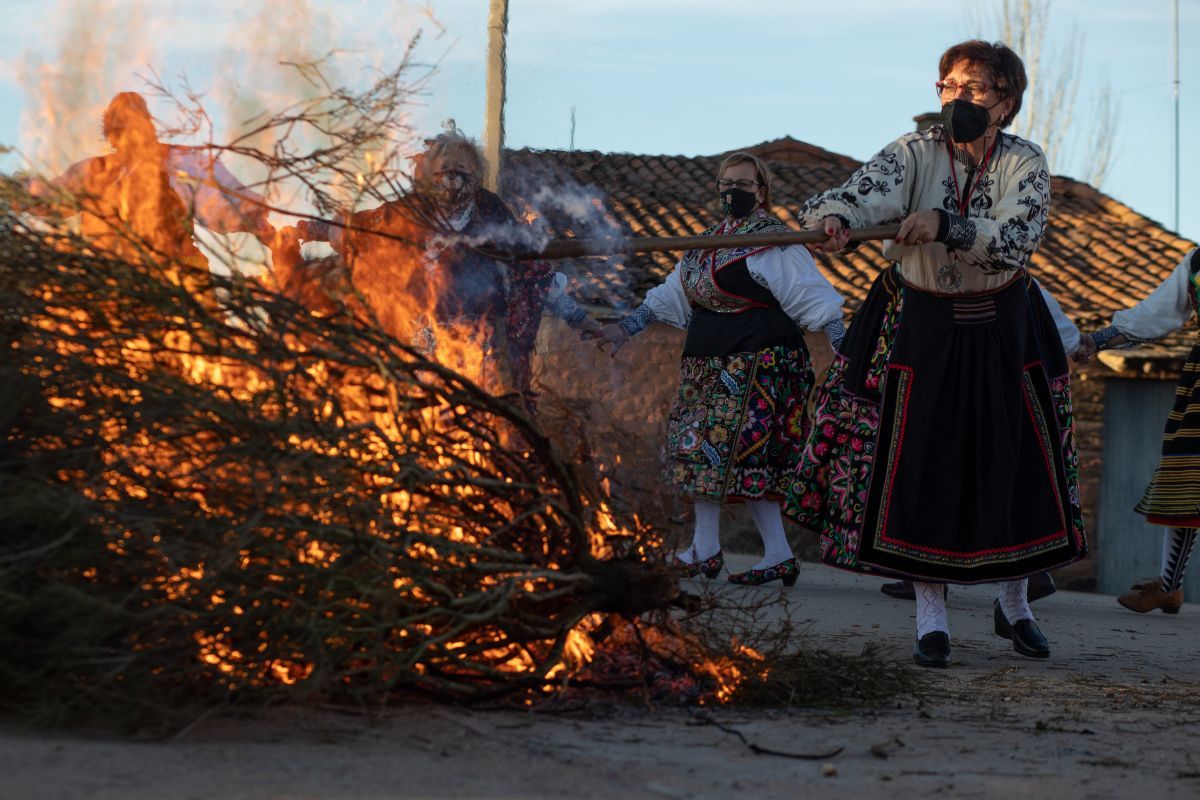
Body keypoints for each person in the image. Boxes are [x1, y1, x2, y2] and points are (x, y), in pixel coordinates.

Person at [788, 40, 1088, 666]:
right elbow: (859, 192)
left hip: (1005, 326)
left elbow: (1016, 237)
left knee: (1015, 460)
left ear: (1004, 103)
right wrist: (836, 219)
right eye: (947, 86)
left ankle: (1015, 604)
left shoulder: (1025, 162)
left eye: (973, 88)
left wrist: (946, 224)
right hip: (922, 323)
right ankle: (932, 617)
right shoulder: (913, 151)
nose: (956, 98)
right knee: (919, 462)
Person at [599, 152, 845, 586]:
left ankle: (774, 553)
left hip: (759, 364)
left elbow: (812, 297)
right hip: (705, 367)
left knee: (745, 458)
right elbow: (669, 296)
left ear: (761, 191)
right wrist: (625, 329)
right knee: (699, 455)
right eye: (727, 183)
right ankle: (707, 550)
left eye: (744, 184)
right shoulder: (705, 244)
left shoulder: (774, 241)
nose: (734, 191)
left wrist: (844, 347)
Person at [295, 128, 595, 402]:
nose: (452, 175)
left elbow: (532, 270)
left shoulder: (492, 213)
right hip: (420, 345)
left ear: (475, 173)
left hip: (482, 349)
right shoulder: (406, 213)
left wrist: (585, 321)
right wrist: (308, 230)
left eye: (461, 168)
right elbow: (360, 229)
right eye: (444, 168)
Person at [24, 92, 274, 294]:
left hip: (179, 282)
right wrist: (14, 191)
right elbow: (50, 200)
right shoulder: (91, 172)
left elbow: (221, 211)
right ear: (111, 134)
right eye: (120, 127)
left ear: (147, 126)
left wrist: (258, 223)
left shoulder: (182, 162)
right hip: (110, 286)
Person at [1086, 247, 1200, 615]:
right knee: (1185, 484)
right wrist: (1098, 340)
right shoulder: (1197, 263)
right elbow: (1158, 312)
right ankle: (1169, 588)